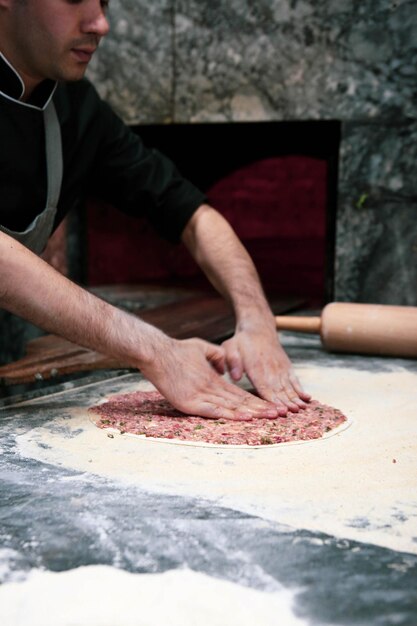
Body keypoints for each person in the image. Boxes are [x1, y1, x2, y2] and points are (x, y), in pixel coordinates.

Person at [0, 0, 310, 419]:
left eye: (105, 2)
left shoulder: (76, 107)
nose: (101, 24)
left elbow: (190, 213)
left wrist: (257, 318)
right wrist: (155, 349)